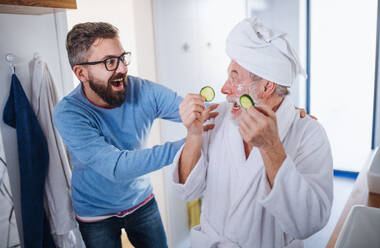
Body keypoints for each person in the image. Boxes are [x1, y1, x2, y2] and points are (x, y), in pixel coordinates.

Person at [53, 22, 219, 248]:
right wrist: (192, 141)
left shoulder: (142, 91)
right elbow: (117, 168)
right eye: (109, 62)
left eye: (122, 58)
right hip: (95, 213)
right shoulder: (69, 113)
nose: (121, 68)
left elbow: (197, 114)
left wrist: (237, 108)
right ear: (81, 73)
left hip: (141, 201)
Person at [172, 17, 333, 248]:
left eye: (234, 77)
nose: (224, 89)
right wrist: (193, 135)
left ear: (267, 87)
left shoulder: (309, 135)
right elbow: (188, 191)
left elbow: (307, 223)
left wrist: (272, 148)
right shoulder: (216, 118)